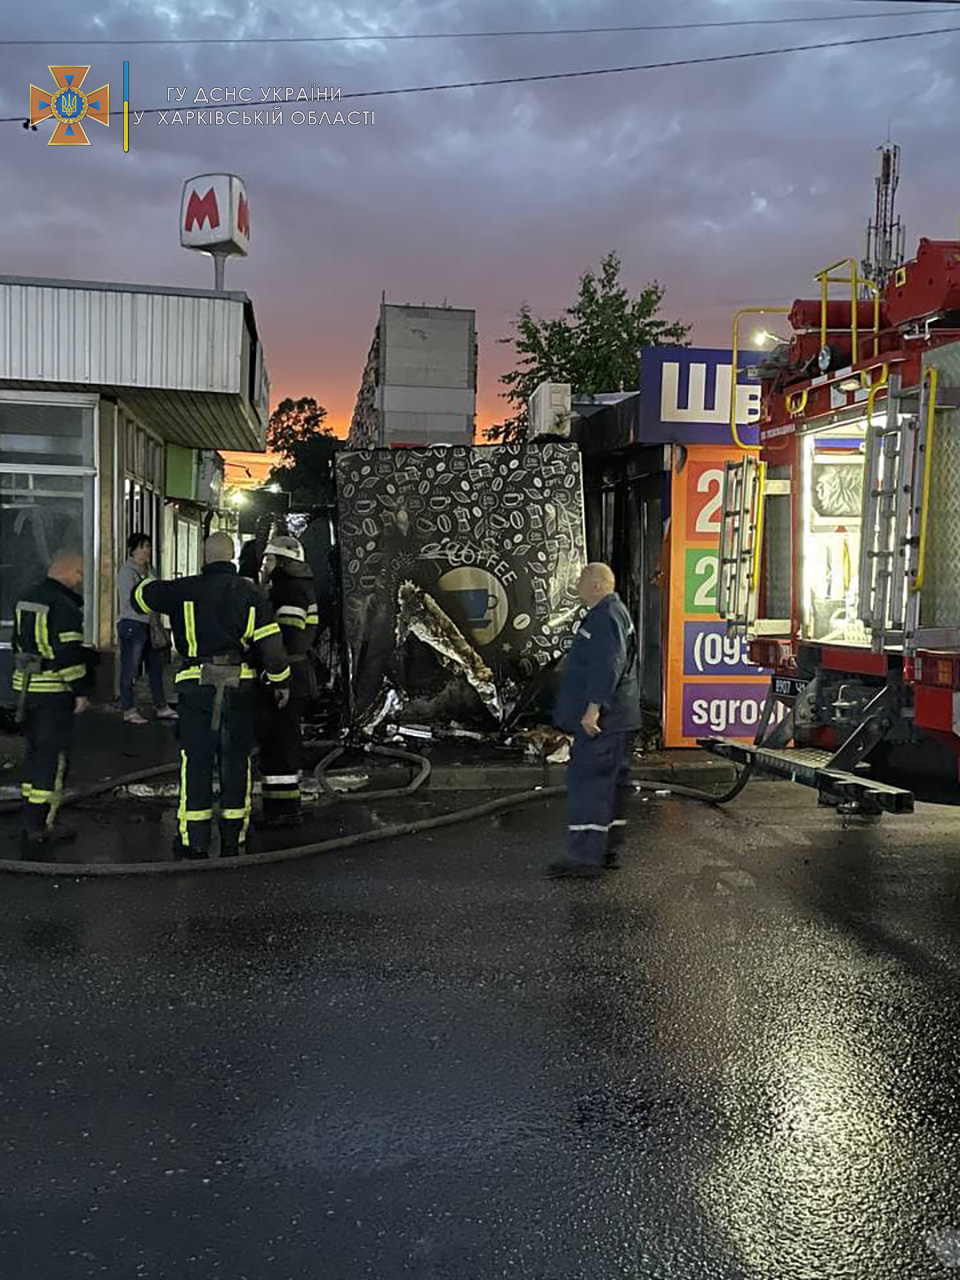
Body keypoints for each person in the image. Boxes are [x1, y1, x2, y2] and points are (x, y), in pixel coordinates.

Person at [131, 532, 290, 860]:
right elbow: (272, 649)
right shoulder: (250, 593)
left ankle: (194, 838)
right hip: (238, 688)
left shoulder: (183, 589)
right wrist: (280, 682)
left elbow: (140, 597)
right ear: (231, 557)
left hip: (195, 687)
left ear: (204, 558)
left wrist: (143, 570)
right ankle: (234, 837)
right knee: (236, 762)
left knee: (196, 762)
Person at [549, 563, 641, 879]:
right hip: (620, 719)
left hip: (606, 721)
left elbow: (607, 665)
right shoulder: (617, 614)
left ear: (598, 586)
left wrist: (593, 710)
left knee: (588, 782)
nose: (577, 587)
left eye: (582, 582)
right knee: (614, 784)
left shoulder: (604, 617)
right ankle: (607, 848)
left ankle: (583, 858)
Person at [11, 550, 95, 855]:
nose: (80, 580)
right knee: (52, 760)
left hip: (26, 689)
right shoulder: (64, 606)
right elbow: (68, 655)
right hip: (53, 693)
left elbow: (20, 642)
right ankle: (41, 824)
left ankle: (28, 817)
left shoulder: (27, 597)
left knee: (34, 756)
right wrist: (81, 691)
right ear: (69, 571)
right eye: (80, 573)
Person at [256, 535, 319, 826]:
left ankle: (282, 811)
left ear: (282, 562)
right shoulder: (299, 587)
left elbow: (285, 638)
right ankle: (283, 806)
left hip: (288, 676)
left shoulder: (289, 591)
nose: (264, 564)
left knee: (280, 743)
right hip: (298, 674)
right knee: (285, 740)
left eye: (269, 559)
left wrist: (274, 674)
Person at [116, 532, 177, 725]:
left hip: (150, 625)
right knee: (130, 668)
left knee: (155, 668)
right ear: (133, 550)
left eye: (148, 547)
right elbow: (129, 599)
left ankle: (161, 706)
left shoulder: (151, 570)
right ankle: (128, 708)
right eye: (142, 547)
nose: (146, 551)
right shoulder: (127, 571)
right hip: (133, 624)